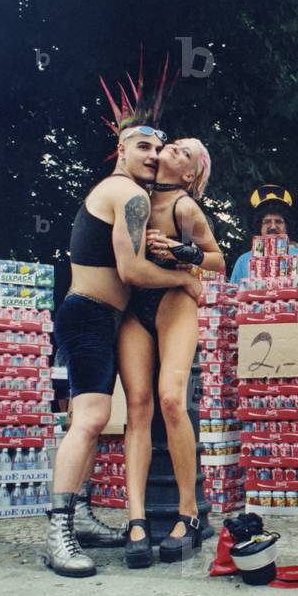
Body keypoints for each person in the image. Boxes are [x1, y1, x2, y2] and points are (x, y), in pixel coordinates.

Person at [46, 70, 202, 579]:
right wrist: (182, 282)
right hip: (92, 315)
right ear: (120, 149)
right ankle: (59, 532)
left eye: (157, 151)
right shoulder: (128, 194)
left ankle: (85, 515)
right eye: (142, 147)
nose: (152, 156)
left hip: (94, 315)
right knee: (91, 419)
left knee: (86, 421)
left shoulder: (120, 192)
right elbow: (133, 271)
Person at [117, 137, 222, 567]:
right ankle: (136, 519)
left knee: (171, 400)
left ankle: (189, 514)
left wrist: (184, 252)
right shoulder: (131, 193)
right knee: (137, 407)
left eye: (185, 153)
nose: (172, 150)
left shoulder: (184, 207)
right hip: (134, 305)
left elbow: (216, 258)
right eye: (173, 145)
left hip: (174, 302)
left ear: (191, 175)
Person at [228, 185, 298, 284]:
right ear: (259, 227)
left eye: (278, 222)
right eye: (267, 222)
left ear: (287, 226)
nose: (273, 226)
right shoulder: (243, 261)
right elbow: (231, 293)